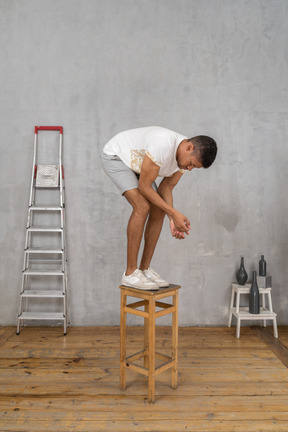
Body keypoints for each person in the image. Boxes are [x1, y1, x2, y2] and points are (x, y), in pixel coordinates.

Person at [101, 126, 217, 290]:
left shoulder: (183, 160)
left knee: (159, 209)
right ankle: (130, 273)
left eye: (194, 167)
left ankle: (144, 270)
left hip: (139, 163)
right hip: (117, 156)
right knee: (142, 206)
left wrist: (171, 218)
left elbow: (166, 189)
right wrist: (174, 213)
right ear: (189, 147)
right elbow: (144, 186)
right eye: (191, 164)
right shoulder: (162, 144)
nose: (189, 169)